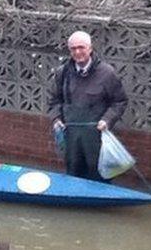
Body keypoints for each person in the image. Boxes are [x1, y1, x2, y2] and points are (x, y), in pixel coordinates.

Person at [49, 31, 128, 181]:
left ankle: (101, 202)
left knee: (98, 176)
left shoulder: (107, 73)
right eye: (73, 49)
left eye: (81, 47)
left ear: (90, 48)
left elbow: (120, 101)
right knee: (73, 175)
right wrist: (56, 119)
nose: (77, 52)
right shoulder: (63, 73)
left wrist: (107, 120)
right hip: (71, 138)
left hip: (96, 138)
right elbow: (54, 101)